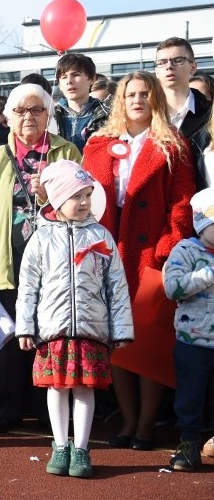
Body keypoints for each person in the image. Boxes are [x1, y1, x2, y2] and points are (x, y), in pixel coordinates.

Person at [83, 70, 195, 450]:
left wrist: (167, 252)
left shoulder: (173, 145)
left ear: (155, 100)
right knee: (115, 341)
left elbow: (182, 205)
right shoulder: (98, 144)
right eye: (130, 94)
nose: (137, 100)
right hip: (106, 254)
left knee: (147, 343)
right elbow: (86, 199)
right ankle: (127, 422)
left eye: (145, 94)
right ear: (120, 99)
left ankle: (146, 425)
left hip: (151, 257)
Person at [0, 83, 82, 434]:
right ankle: (6, 410)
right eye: (20, 111)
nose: (28, 117)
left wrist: (48, 197)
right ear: (7, 117)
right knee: (7, 341)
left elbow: (81, 205)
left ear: (49, 115)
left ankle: (48, 411)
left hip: (53, 267)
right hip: (6, 264)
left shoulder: (67, 153)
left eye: (37, 110)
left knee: (49, 339)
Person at [16, 160, 133, 478]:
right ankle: (60, 445)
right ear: (56, 198)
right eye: (75, 196)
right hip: (53, 330)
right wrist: (25, 326)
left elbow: (117, 286)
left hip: (91, 330)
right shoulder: (40, 239)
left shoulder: (102, 237)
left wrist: (121, 329)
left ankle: (81, 449)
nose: (83, 202)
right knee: (56, 388)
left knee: (84, 390)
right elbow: (28, 286)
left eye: (87, 195)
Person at [162, 187, 214, 471]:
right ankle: (188, 442)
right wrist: (209, 273)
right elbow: (173, 288)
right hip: (193, 340)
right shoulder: (186, 250)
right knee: (190, 394)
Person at [154, 37, 212, 188]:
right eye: (162, 62)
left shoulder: (210, 114)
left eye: (178, 60)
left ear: (193, 67)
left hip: (200, 203)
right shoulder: (144, 115)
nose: (169, 66)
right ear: (156, 72)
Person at [54, 53, 111, 151]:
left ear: (92, 79)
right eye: (64, 77)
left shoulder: (108, 115)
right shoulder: (50, 117)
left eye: (75, 75)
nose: (69, 81)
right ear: (59, 84)